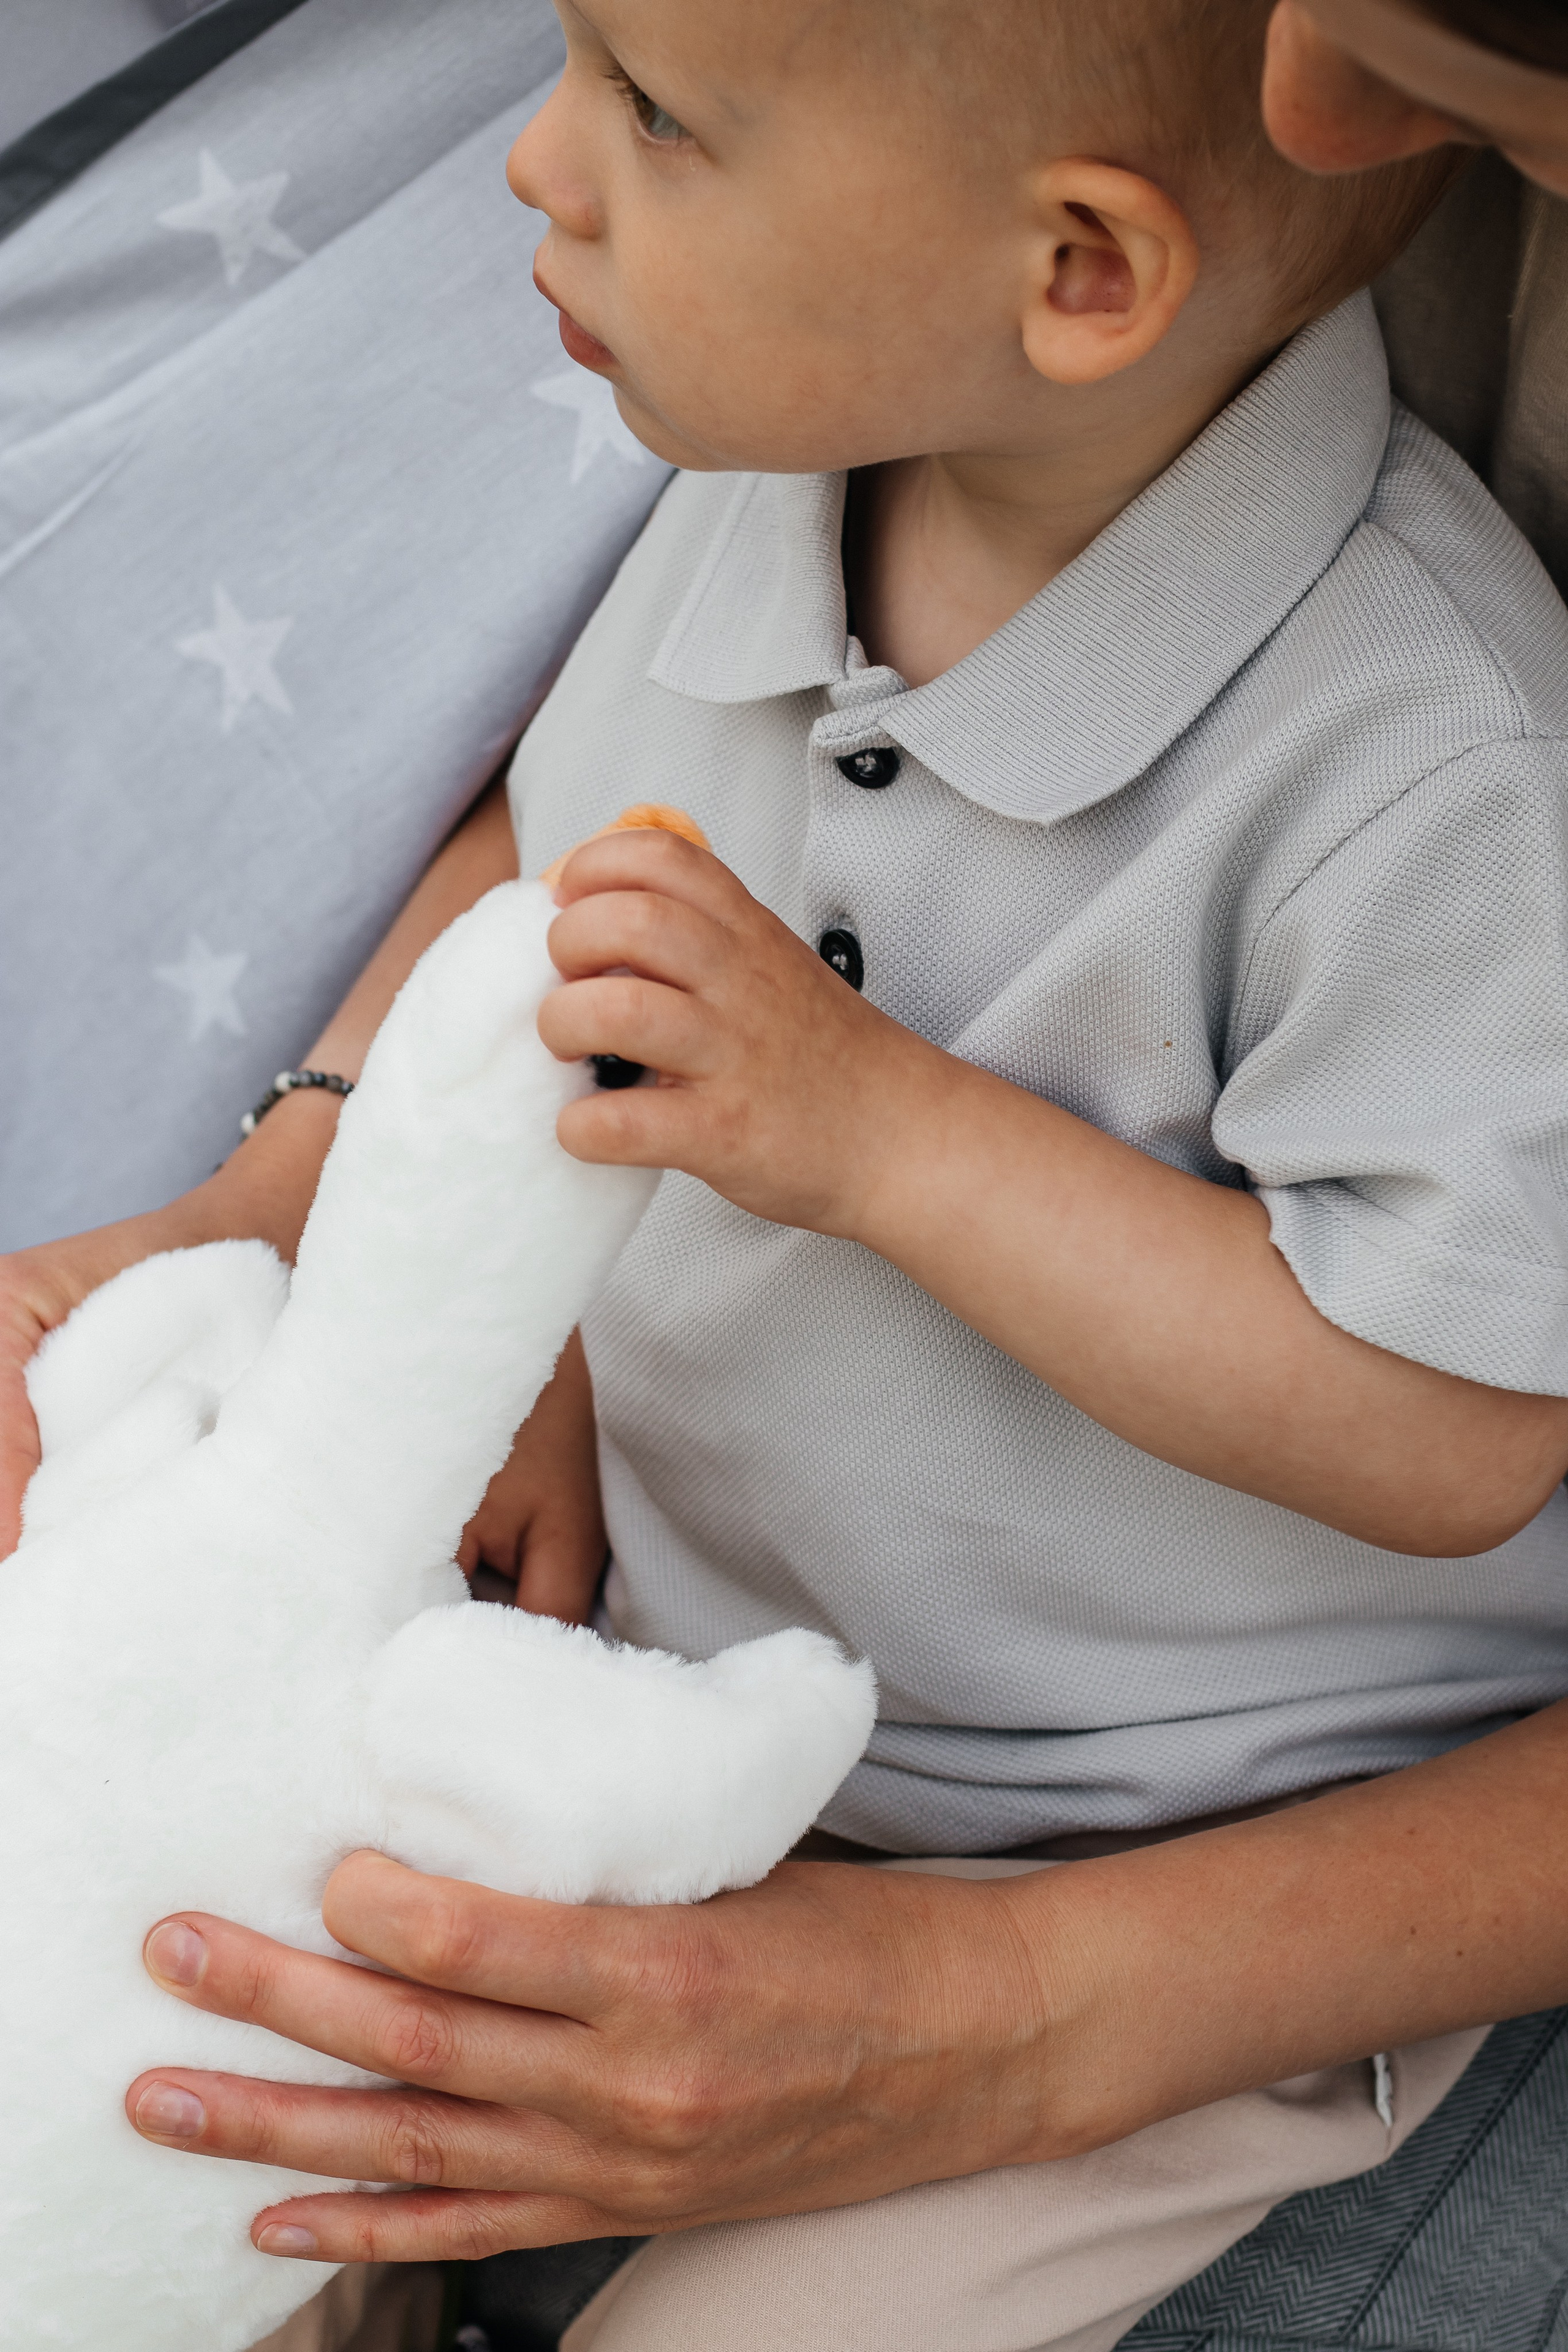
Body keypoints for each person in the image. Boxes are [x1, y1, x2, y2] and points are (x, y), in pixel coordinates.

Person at [34, 2, 1564, 2350]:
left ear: (1076, 273)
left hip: (1128, 1833)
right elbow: (560, 934)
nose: (538, 165)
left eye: (651, 114)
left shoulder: (1430, 769)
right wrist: (496, 1328)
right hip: (656, 1664)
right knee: (222, 2099)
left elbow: (1456, 1430)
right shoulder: (784, 474)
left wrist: (883, 1133)